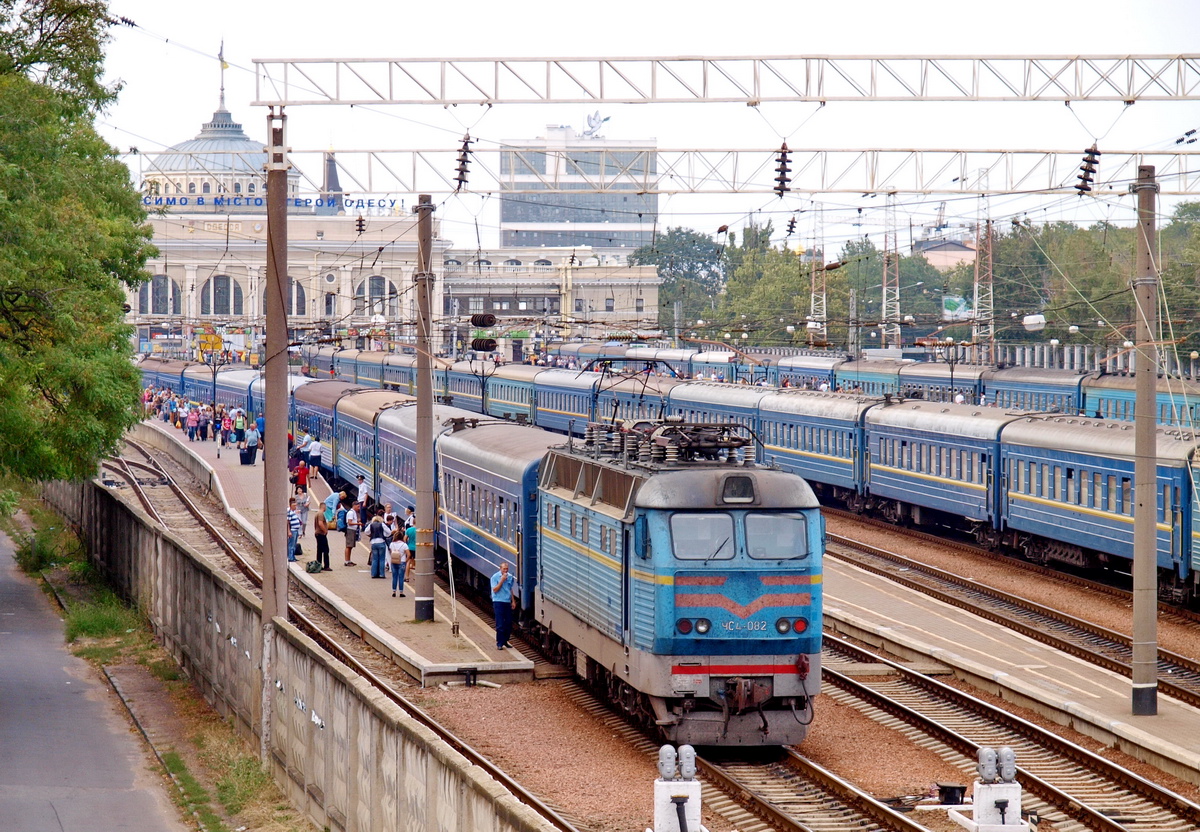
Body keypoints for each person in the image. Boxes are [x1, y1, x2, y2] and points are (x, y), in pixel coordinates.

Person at [490, 562, 516, 650]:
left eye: (507, 569)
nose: (505, 571)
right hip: (498, 601)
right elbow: (495, 589)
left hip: (507, 601)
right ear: (500, 568)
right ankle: (499, 643)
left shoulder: (510, 577)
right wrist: (501, 580)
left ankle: (505, 640)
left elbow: (510, 588)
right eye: (504, 569)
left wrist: (513, 601)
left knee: (508, 623)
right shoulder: (494, 577)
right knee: (500, 623)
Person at [366, 509, 389, 579]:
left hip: (373, 543)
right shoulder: (382, 524)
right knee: (382, 559)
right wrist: (384, 535)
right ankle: (381, 574)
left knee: (375, 559)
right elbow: (389, 532)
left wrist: (370, 535)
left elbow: (366, 531)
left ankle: (374, 574)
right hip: (381, 542)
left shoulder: (371, 525)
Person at [389, 527, 407, 597]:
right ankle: (401, 592)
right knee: (401, 577)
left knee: (394, 577)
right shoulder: (404, 545)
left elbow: (391, 552)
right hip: (402, 562)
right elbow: (408, 554)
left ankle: (394, 591)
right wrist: (406, 560)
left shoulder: (392, 544)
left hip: (394, 562)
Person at [313, 506, 331, 572]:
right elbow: (320, 523)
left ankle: (319, 565)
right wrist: (325, 530)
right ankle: (326, 566)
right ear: (324, 507)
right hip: (321, 534)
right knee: (326, 550)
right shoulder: (320, 514)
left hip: (318, 533)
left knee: (319, 550)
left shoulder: (317, 513)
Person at [343, 500, 360, 567]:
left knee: (350, 546)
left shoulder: (353, 512)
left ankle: (349, 560)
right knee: (348, 546)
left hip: (352, 530)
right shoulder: (350, 513)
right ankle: (346, 561)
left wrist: (357, 521)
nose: (359, 508)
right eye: (358, 506)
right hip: (350, 530)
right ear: (354, 506)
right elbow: (349, 522)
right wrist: (358, 523)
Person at [286, 497, 301, 562]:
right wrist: (288, 531)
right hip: (292, 530)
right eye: (294, 505)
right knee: (291, 544)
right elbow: (287, 522)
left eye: (295, 505)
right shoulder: (289, 512)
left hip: (296, 530)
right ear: (290, 505)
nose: (295, 506)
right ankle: (290, 557)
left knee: (294, 544)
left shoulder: (293, 511)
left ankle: (293, 556)